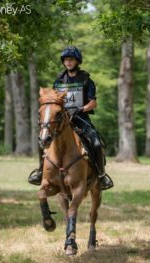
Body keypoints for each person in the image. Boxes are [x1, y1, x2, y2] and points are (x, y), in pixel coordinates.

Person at [28, 46, 113, 190]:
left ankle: (101, 175)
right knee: (42, 140)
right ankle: (41, 171)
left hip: (80, 117)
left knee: (96, 143)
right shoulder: (59, 80)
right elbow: (54, 100)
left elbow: (93, 103)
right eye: (66, 60)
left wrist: (80, 109)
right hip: (61, 119)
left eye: (71, 60)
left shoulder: (86, 79)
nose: (68, 62)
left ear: (77, 61)